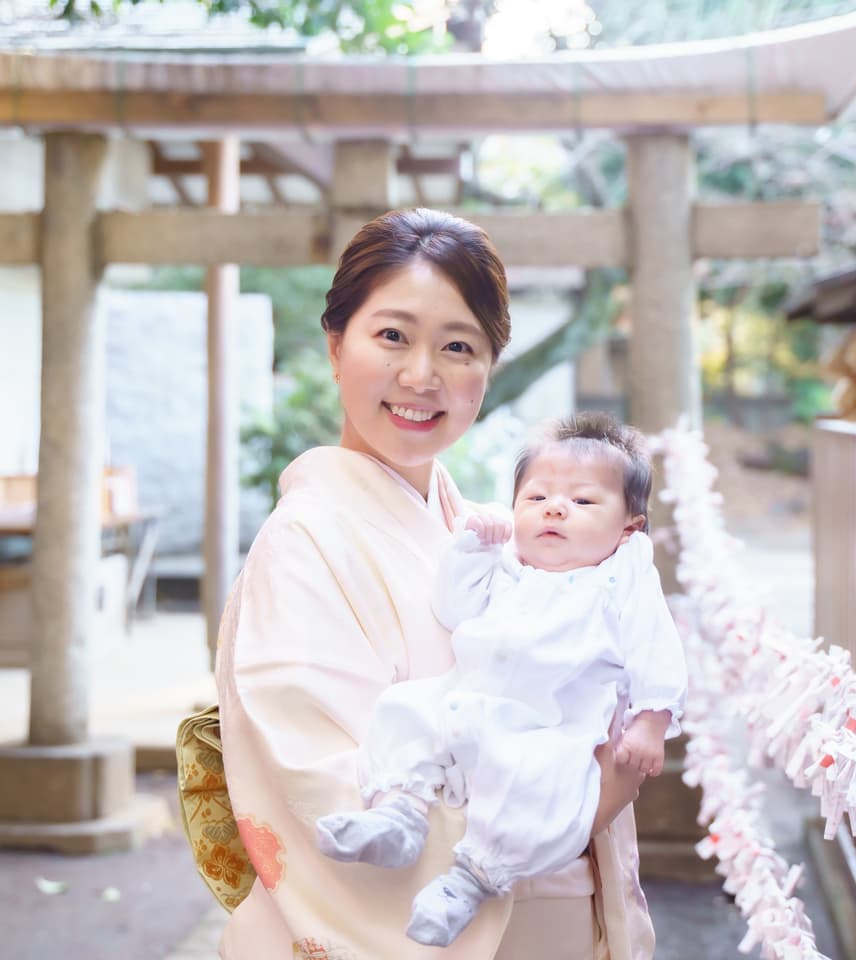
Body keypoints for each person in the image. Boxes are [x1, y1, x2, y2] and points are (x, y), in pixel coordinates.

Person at [214, 209, 656, 959]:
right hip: (455, 920)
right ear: (335, 344)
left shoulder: (485, 532)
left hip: (548, 918)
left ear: (489, 367)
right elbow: (322, 789)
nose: (422, 377)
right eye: (391, 336)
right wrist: (598, 795)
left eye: (458, 346)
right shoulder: (304, 542)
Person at [315, 413, 686, 947]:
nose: (555, 508)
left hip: (550, 724)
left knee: (538, 789)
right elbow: (454, 608)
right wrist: (473, 550)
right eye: (537, 498)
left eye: (582, 502)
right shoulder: (510, 562)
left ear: (630, 526)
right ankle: (399, 811)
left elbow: (656, 647)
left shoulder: (621, 575)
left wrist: (651, 721)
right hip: (466, 697)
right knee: (405, 709)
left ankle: (471, 880)